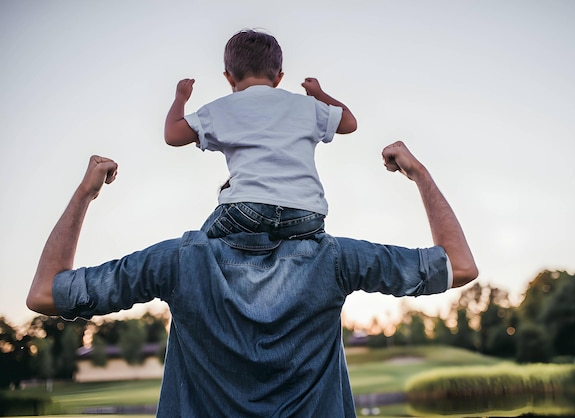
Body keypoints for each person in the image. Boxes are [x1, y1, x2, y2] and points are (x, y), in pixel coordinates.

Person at [27, 141, 478, 417]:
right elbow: (460, 266)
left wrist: (85, 193)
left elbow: (46, 293)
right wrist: (418, 173)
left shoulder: (178, 261)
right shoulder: (335, 259)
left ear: (226, 201)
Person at [164, 29, 357, 240]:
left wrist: (180, 98)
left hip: (247, 210)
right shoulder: (306, 105)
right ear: (279, 78)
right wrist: (319, 94)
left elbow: (173, 135)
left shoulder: (221, 109)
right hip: (307, 214)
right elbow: (349, 122)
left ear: (229, 77)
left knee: (198, 247)